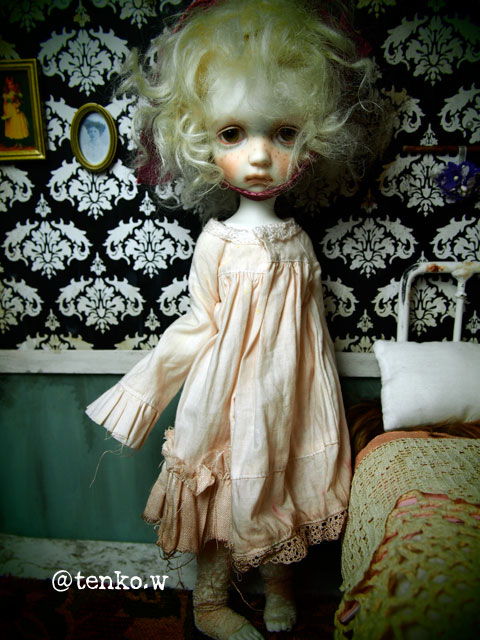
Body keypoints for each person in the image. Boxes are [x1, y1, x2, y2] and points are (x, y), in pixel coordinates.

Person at [86, 1, 377, 638]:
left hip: (292, 394)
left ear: (313, 140)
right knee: (222, 494)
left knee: (283, 489)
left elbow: (310, 333)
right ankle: (211, 601)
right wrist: (143, 391)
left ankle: (279, 589)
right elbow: (198, 323)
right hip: (225, 396)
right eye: (232, 134)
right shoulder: (217, 242)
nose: (260, 157)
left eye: (284, 134)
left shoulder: (298, 242)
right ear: (200, 139)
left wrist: (320, 402)